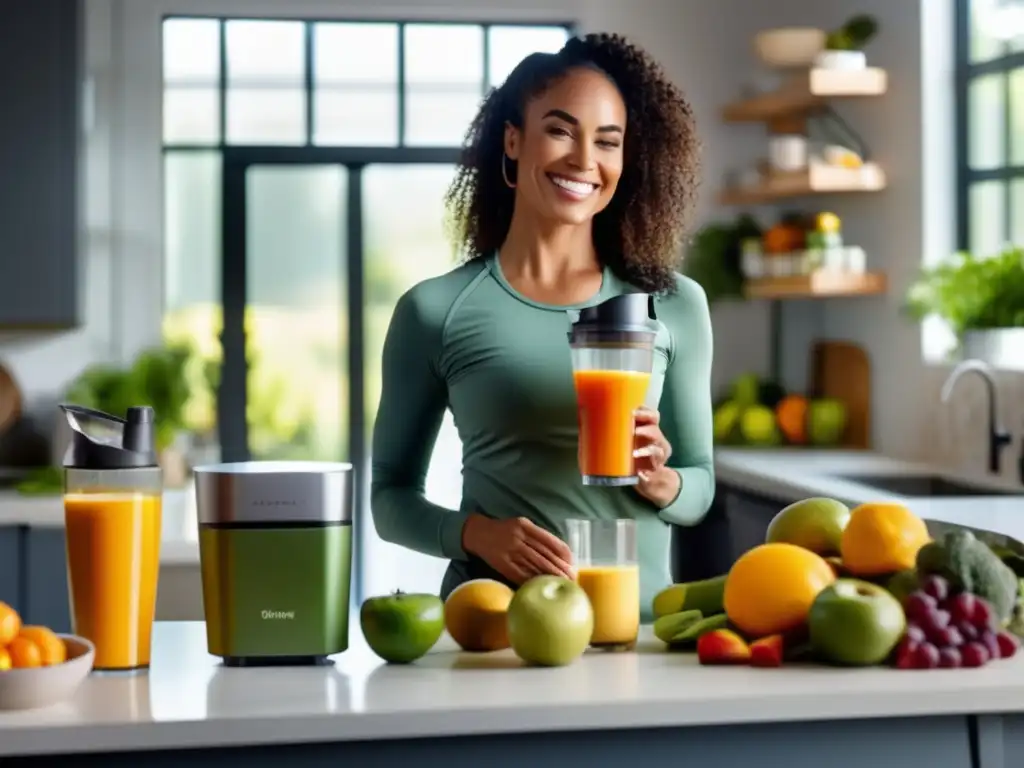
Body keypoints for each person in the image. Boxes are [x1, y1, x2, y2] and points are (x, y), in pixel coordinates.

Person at [370, 32, 713, 621]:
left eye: (608, 142)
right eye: (560, 130)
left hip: (637, 629)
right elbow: (389, 499)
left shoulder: (672, 303)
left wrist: (663, 483)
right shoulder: (435, 309)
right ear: (513, 139)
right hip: (496, 624)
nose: (584, 160)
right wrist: (478, 535)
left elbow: (701, 486)